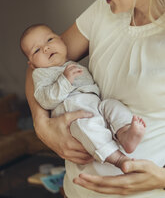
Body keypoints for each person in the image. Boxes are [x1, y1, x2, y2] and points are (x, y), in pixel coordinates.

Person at [25, 0, 165, 197]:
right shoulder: (103, 10)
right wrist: (42, 125)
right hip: (74, 191)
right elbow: (37, 65)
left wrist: (162, 179)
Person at [20, 23, 145, 170]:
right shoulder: (40, 74)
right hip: (75, 115)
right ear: (32, 65)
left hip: (96, 105)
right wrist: (64, 81)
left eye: (49, 40)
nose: (46, 48)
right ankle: (118, 159)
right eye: (36, 50)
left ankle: (125, 133)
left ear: (61, 40)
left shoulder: (72, 64)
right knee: (87, 127)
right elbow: (45, 100)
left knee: (113, 105)